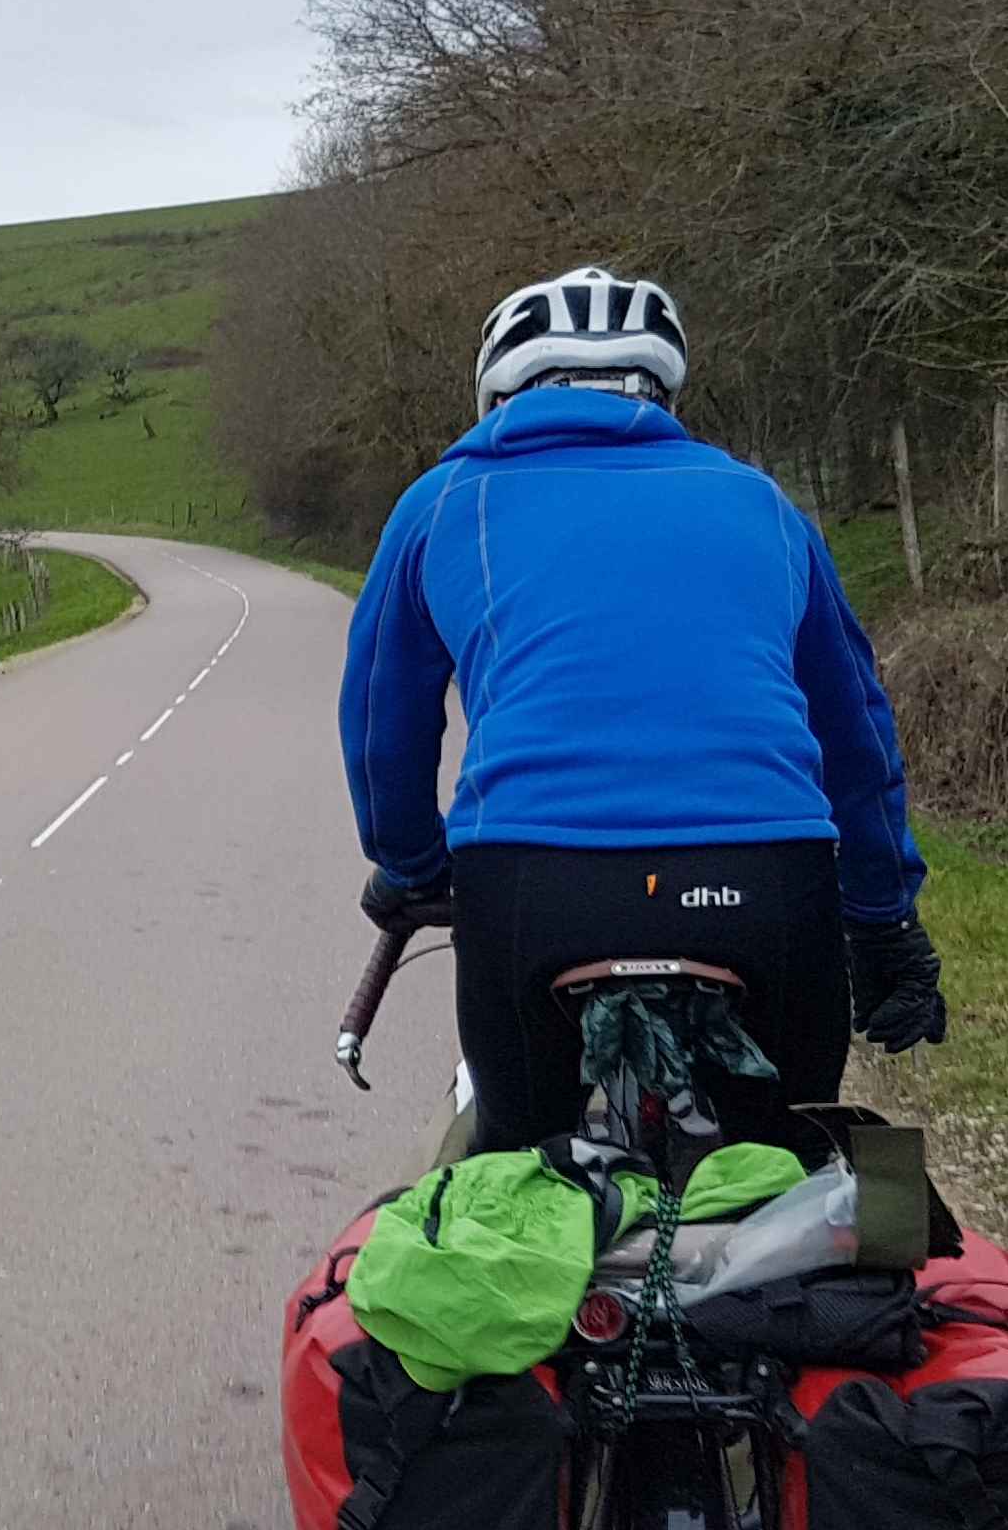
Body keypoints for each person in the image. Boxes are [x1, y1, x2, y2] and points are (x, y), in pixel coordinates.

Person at [338, 265, 948, 1159]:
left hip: (534, 883)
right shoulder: (762, 504)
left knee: (514, 1171)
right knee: (792, 1167)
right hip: (769, 884)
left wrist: (410, 859)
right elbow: (853, 733)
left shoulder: (441, 504)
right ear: (660, 390)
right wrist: (884, 916)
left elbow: (380, 722)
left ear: (500, 388)